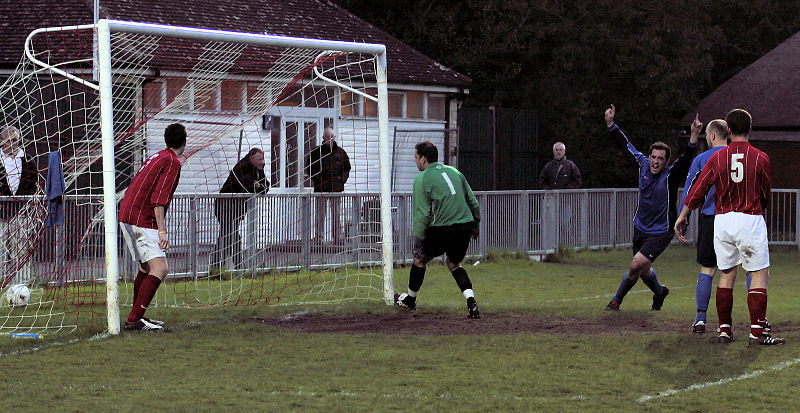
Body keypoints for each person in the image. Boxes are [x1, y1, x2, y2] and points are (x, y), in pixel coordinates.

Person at [676, 108, 784, 346]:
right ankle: (757, 333)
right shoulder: (760, 157)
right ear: (750, 129)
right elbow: (766, 192)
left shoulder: (716, 157)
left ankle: (724, 329)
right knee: (758, 275)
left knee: (726, 274)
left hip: (722, 220)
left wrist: (683, 215)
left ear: (730, 131)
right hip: (749, 217)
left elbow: (699, 189)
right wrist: (760, 208)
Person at [603, 104, 697, 311]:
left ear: (666, 162)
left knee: (636, 264)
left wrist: (693, 138)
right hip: (641, 226)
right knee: (644, 269)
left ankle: (616, 301)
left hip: (661, 231)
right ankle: (660, 292)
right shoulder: (642, 164)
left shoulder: (670, 176)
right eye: (653, 157)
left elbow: (685, 160)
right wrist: (611, 124)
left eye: (660, 159)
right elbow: (625, 145)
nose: (655, 161)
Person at [394, 141, 482, 318]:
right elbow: (473, 201)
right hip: (464, 225)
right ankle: (471, 301)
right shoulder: (454, 171)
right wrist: (475, 224)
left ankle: (410, 301)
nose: (415, 161)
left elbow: (422, 213)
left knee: (419, 260)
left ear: (424, 159)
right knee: (454, 264)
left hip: (442, 229)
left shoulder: (422, 178)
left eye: (416, 158)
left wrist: (419, 238)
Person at [118, 123, 187, 331]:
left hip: (127, 214)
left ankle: (136, 316)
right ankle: (134, 318)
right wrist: (162, 230)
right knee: (160, 268)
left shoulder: (157, 156)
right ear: (184, 142)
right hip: (142, 218)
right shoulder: (172, 162)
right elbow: (159, 199)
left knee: (146, 267)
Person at [680, 117, 731, 333]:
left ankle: (701, 318)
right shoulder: (740, 156)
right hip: (737, 218)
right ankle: (757, 320)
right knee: (746, 270)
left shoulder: (702, 159)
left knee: (708, 269)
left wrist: (684, 216)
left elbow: (692, 190)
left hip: (711, 219)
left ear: (711, 136)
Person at [213, 148, 268, 269]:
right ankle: (222, 266)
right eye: (260, 159)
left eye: (263, 159)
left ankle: (227, 266)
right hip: (224, 205)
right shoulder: (241, 167)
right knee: (228, 234)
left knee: (229, 234)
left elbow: (266, 187)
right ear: (251, 158)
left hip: (237, 207)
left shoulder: (258, 169)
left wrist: (258, 186)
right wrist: (257, 187)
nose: (263, 162)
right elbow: (247, 188)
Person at [0, 126, 40, 284]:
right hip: (1, 212)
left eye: (15, 140)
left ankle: (22, 283)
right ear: (2, 142)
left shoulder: (27, 159)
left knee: (21, 248)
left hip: (22, 212)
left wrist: (26, 200)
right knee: (1, 249)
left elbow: (33, 181)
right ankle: (3, 281)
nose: (13, 144)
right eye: (9, 140)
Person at [305, 128, 350, 244]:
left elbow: (347, 168)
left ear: (334, 138)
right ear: (323, 138)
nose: (329, 139)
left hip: (336, 188)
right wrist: (317, 180)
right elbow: (309, 168)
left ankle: (338, 238)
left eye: (332, 137)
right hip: (321, 188)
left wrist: (341, 180)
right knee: (320, 215)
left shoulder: (340, 152)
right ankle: (319, 238)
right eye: (327, 137)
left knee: (336, 214)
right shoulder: (316, 152)